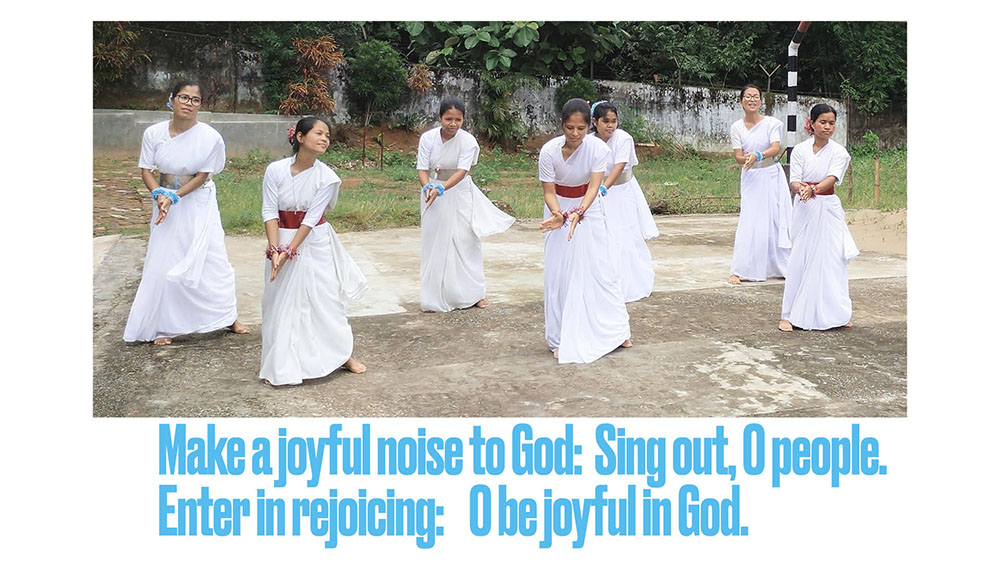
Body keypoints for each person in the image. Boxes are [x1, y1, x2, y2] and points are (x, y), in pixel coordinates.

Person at [123, 80, 249, 345]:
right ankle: (165, 325)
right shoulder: (154, 133)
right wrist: (159, 194)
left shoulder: (209, 137)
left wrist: (175, 197)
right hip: (163, 202)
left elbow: (203, 175)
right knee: (166, 259)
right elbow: (146, 169)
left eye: (195, 100)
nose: (188, 103)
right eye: (183, 97)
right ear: (171, 100)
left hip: (197, 202)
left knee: (212, 257)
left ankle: (227, 316)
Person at [259, 117, 369, 386]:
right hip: (280, 238)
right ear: (299, 137)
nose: (324, 139)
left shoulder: (327, 177)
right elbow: (269, 210)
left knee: (324, 300)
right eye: (318, 133)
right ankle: (282, 362)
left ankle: (342, 355)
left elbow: (311, 218)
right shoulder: (275, 170)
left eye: (328, 136)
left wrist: (289, 252)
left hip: (314, 241)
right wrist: (275, 250)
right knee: (280, 302)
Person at [539, 98, 631, 363]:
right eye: (570, 128)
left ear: (588, 126)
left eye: (581, 128)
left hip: (589, 209)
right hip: (558, 208)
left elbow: (594, 186)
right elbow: (548, 190)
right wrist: (559, 214)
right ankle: (559, 337)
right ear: (562, 124)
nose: (575, 134)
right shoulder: (548, 151)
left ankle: (616, 330)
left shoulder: (597, 149)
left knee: (601, 268)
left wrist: (580, 212)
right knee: (559, 274)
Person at [417, 97, 515, 312]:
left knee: (465, 241)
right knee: (435, 242)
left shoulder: (468, 141)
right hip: (431, 193)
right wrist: (428, 188)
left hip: (458, 193)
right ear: (440, 118)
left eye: (458, 119)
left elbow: (462, 171)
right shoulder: (428, 138)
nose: (453, 124)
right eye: (448, 119)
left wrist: (443, 188)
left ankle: (474, 294)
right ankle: (438, 293)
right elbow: (422, 168)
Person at [779, 103, 858, 332]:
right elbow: (794, 178)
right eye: (822, 122)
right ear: (812, 123)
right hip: (804, 208)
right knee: (800, 258)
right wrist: (802, 188)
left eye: (831, 123)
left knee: (832, 260)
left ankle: (837, 312)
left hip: (827, 208)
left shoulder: (839, 152)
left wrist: (813, 190)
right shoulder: (801, 150)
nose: (827, 127)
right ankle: (789, 314)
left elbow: (832, 179)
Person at [591, 101, 657, 302]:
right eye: (605, 122)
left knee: (626, 235)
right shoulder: (590, 141)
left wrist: (604, 188)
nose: (610, 126)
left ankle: (632, 283)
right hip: (598, 193)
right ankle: (605, 282)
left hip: (621, 191)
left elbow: (620, 166)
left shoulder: (624, 139)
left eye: (614, 121)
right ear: (595, 122)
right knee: (602, 236)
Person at [728, 84, 793, 285]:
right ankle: (740, 269)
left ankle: (784, 266)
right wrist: (748, 159)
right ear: (741, 102)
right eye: (748, 97)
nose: (752, 100)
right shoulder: (736, 127)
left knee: (776, 218)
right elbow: (738, 156)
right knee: (750, 219)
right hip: (751, 176)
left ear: (761, 100)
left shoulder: (772, 123)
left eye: (755, 96)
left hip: (772, 174)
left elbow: (775, 148)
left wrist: (759, 154)